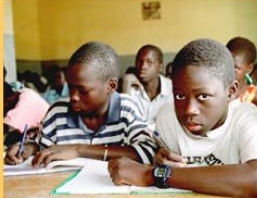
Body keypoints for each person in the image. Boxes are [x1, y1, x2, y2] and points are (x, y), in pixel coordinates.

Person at [108, 38, 257, 198]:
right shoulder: (167, 117)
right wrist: (160, 159)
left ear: (231, 91)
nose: (189, 110)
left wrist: (152, 174)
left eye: (203, 96)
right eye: (180, 96)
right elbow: (167, 161)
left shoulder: (247, 117)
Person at [5, 41, 156, 166]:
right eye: (70, 87)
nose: (73, 97)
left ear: (110, 86)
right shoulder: (58, 112)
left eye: (83, 91)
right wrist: (27, 148)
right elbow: (41, 145)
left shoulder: (125, 108)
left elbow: (147, 152)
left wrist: (79, 150)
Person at [126, 44, 173, 129]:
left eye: (149, 62)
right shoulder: (131, 88)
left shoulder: (172, 89)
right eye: (139, 61)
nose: (143, 67)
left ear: (160, 67)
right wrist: (126, 82)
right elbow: (123, 123)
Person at [3, 67, 50, 149]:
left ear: (9, 98)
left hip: (48, 138)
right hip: (35, 137)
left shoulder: (26, 97)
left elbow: (7, 126)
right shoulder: (20, 95)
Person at [226, 36, 257, 110]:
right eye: (226, 64)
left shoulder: (255, 97)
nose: (228, 70)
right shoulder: (216, 87)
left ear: (249, 69)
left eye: (235, 68)